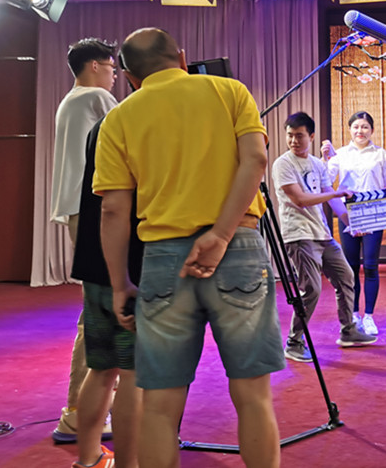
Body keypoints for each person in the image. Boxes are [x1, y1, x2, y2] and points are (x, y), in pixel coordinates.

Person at [94, 28, 284, 468]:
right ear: (181, 57)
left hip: (163, 261)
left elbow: (113, 211)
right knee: (254, 397)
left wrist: (120, 284)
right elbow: (256, 160)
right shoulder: (229, 91)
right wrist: (220, 235)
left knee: (160, 406)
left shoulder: (118, 119)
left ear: (129, 77)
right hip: (239, 248)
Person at [50, 38, 118, 444]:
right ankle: (78, 411)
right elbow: (131, 137)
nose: (115, 76)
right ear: (94, 66)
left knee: (97, 308)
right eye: (111, 68)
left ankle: (86, 407)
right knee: (100, 311)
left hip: (79, 210)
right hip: (94, 209)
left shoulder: (69, 101)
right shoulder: (95, 97)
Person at [272, 112, 378, 363]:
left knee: (346, 277)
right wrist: (335, 194)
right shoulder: (283, 164)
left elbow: (329, 195)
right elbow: (300, 199)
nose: (294, 140)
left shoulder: (317, 165)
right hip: (299, 235)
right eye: (290, 135)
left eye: (299, 135)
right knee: (311, 288)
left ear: (311, 136)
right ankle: (294, 342)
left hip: (321, 233)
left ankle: (348, 330)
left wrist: (352, 223)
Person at [70, 118, 144, 468]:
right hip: (130, 267)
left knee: (101, 368)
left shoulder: (102, 125)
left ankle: (87, 458)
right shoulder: (144, 121)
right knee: (133, 373)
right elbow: (118, 206)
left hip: (94, 260)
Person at [320, 111, 386, 336]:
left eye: (364, 127)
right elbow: (325, 180)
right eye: (356, 127)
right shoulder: (341, 155)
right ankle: (354, 314)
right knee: (351, 267)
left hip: (374, 215)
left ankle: (369, 316)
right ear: (349, 129)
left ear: (372, 130)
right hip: (348, 215)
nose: (360, 131)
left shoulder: (380, 154)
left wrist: (378, 201)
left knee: (371, 266)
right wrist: (325, 158)